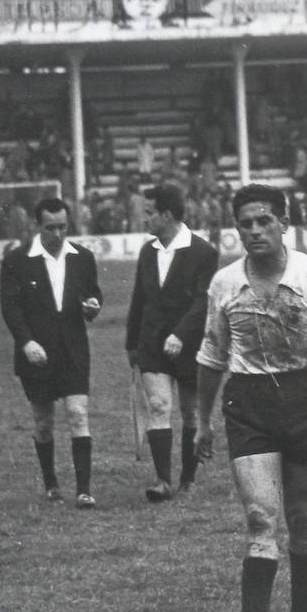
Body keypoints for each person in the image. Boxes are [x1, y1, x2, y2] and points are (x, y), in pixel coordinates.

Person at [194, 184, 307, 612]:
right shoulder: (225, 284)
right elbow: (211, 356)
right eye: (246, 223)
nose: (255, 231)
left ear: (285, 223)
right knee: (260, 516)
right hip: (249, 402)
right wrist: (201, 422)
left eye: (265, 221)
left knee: (302, 519)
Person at [0, 197, 103, 509]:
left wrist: (92, 306)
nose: (58, 234)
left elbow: (92, 294)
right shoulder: (17, 260)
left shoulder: (82, 257)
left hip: (73, 349)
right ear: (36, 225)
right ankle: (51, 483)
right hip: (37, 353)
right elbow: (11, 308)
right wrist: (27, 342)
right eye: (50, 228)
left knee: (77, 414)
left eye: (63, 227)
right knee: (43, 422)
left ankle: (83, 490)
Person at [126, 183, 219, 503]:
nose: (144, 219)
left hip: (191, 345)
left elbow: (202, 302)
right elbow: (139, 299)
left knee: (190, 414)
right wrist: (131, 345)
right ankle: (163, 481)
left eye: (149, 213)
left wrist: (180, 334)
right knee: (159, 406)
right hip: (152, 343)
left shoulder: (204, 252)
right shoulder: (147, 251)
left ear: (167, 215)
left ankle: (188, 479)